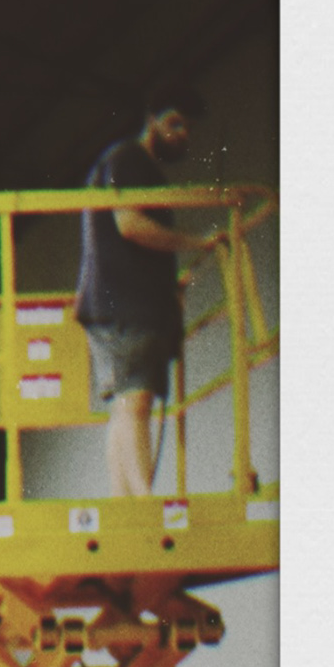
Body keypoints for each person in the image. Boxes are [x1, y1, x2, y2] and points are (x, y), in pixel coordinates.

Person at [74, 79, 225, 499]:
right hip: (124, 305)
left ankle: (127, 503)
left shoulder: (125, 163)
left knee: (128, 404)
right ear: (151, 121)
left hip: (121, 303)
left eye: (187, 128)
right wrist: (196, 243)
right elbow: (130, 224)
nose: (181, 134)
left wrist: (167, 283)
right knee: (135, 401)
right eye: (174, 123)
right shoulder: (130, 160)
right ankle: (142, 505)